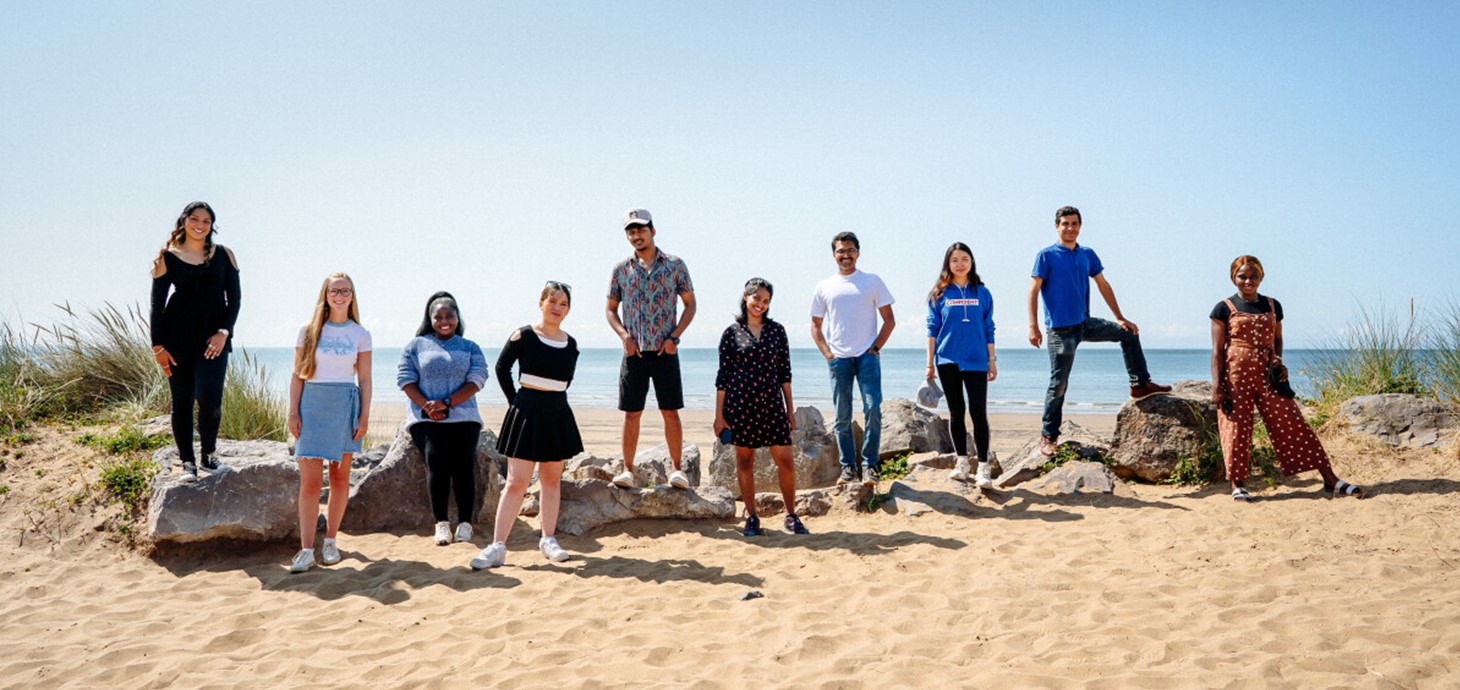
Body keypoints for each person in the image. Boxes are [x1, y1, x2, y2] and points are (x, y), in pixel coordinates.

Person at [1210, 256, 1364, 501]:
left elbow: (1277, 339)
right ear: (1233, 278)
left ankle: (1329, 479)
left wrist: (1278, 360)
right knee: (1236, 426)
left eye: (1253, 276)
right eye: (1242, 276)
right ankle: (1237, 484)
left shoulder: (1273, 305)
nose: (1248, 281)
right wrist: (1218, 386)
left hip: (1268, 374)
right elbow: (1217, 350)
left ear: (1261, 277)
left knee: (1292, 421)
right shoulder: (1223, 308)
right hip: (1236, 374)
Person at [1027, 206, 1171, 458]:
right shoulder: (1046, 255)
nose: (1070, 228)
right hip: (1060, 332)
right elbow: (1033, 290)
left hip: (1085, 324)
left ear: (1080, 226)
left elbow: (1103, 285)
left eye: (1074, 223)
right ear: (1057, 226)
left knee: (1128, 334)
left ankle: (1139, 384)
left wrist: (1119, 317)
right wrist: (1033, 326)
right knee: (1058, 384)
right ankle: (1049, 435)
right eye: (1065, 223)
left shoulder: (1087, 254)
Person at [472, 281, 584, 569]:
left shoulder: (571, 344)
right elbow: (501, 368)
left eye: (564, 303)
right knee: (516, 481)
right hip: (526, 411)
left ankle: (548, 539)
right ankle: (497, 547)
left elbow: (565, 381)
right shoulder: (523, 335)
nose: (557, 307)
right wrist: (516, 402)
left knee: (551, 480)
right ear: (541, 303)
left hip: (557, 412)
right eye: (553, 301)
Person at [286, 273, 372, 573]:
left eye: (345, 290)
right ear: (325, 294)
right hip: (311, 406)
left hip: (345, 406)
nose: (340, 295)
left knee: (339, 479)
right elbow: (298, 375)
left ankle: (331, 541)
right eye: (334, 290)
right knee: (310, 483)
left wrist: (364, 416)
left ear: (352, 295)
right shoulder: (308, 330)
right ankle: (307, 549)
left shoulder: (360, 334)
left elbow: (364, 379)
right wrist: (293, 412)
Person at [606, 208, 697, 489]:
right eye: (631, 231)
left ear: (653, 231)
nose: (636, 235)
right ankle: (628, 470)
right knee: (631, 412)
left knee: (670, 411)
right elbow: (610, 310)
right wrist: (624, 336)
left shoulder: (675, 265)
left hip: (664, 351)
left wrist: (675, 338)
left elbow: (690, 304)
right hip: (633, 352)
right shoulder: (621, 269)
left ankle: (678, 470)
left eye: (641, 230)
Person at [150, 201, 241, 482]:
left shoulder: (224, 255)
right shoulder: (167, 256)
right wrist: (158, 347)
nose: (200, 225)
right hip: (176, 341)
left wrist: (224, 331)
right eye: (195, 219)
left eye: (206, 220)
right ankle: (187, 462)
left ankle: (209, 457)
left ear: (212, 225)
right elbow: (157, 304)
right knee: (182, 401)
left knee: (211, 400)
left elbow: (234, 299)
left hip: (214, 341)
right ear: (184, 221)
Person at [714, 278, 808, 537]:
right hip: (740, 404)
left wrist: (790, 410)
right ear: (746, 296)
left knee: (786, 462)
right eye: (757, 299)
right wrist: (719, 416)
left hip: (772, 405)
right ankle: (752, 517)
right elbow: (723, 377)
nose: (761, 305)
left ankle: (791, 515)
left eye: (766, 301)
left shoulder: (777, 331)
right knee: (745, 461)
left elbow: (784, 374)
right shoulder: (731, 333)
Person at [397, 292, 488, 545]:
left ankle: (466, 523)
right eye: (439, 317)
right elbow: (405, 379)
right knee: (436, 460)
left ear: (458, 318)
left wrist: (447, 402)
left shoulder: (470, 347)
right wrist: (427, 405)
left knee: (463, 464)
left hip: (464, 415)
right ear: (430, 318)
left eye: (450, 316)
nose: (444, 321)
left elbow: (477, 379)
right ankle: (441, 524)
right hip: (425, 417)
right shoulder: (415, 346)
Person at [810, 231, 896, 486]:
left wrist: (876, 347)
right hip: (839, 359)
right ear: (834, 254)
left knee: (873, 409)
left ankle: (870, 466)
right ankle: (849, 468)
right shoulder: (824, 286)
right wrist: (828, 354)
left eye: (850, 250)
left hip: (867, 356)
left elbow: (889, 319)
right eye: (840, 251)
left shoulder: (872, 281)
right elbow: (815, 325)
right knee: (841, 416)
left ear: (858, 252)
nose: (845, 255)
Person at [925, 242, 997, 487]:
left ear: (971, 262)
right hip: (947, 360)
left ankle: (984, 468)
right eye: (955, 260)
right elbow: (932, 330)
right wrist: (929, 364)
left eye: (964, 259)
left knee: (978, 413)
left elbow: (989, 327)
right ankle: (962, 462)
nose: (960, 263)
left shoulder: (983, 293)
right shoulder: (939, 293)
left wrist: (992, 360)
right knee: (956, 413)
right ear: (948, 264)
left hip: (977, 360)